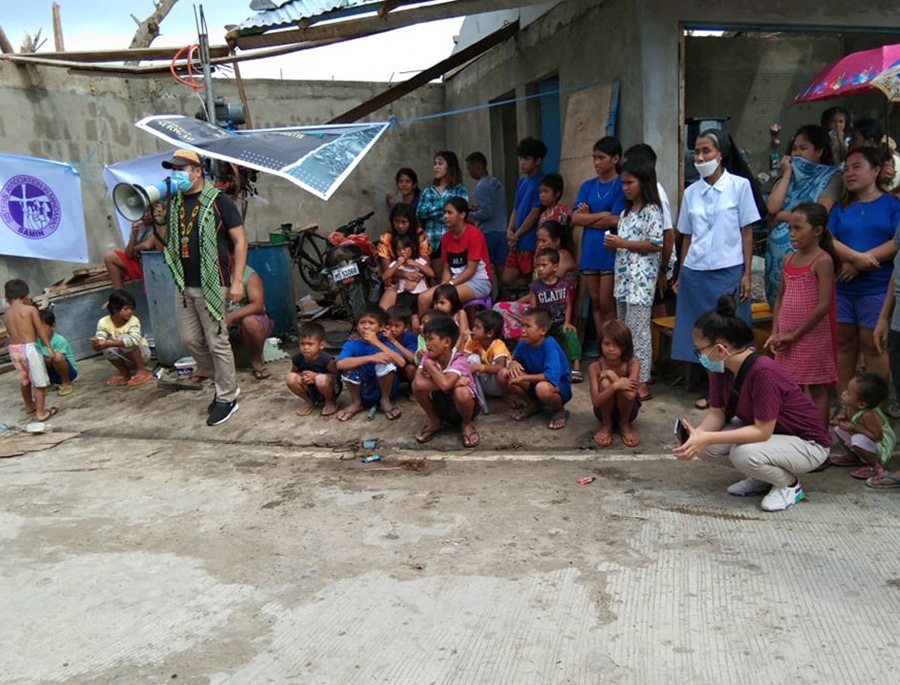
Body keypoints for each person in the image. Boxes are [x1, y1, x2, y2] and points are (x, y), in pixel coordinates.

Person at [673, 295, 831, 513]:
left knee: (743, 453)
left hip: (807, 444)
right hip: (776, 435)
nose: (699, 355)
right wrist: (696, 437)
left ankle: (789, 486)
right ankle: (762, 476)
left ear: (720, 348)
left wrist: (707, 437)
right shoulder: (719, 366)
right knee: (705, 447)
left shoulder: (763, 371)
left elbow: (762, 431)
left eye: (700, 350)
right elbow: (717, 413)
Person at [155, 149, 247, 426]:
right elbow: (167, 245)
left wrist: (237, 281)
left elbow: (240, 241)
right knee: (190, 340)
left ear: (196, 171)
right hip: (185, 283)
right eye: (173, 169)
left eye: (180, 169)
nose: (176, 174)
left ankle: (227, 397)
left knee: (217, 341)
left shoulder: (219, 201)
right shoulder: (175, 203)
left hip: (213, 283)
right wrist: (158, 219)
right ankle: (224, 382)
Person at [672, 130, 761, 406]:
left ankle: (735, 387)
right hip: (696, 272)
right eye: (697, 152)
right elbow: (686, 235)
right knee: (700, 330)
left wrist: (746, 273)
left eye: (706, 151)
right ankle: (710, 388)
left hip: (729, 269)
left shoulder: (739, 186)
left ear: (720, 154)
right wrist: (680, 272)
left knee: (729, 329)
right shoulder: (691, 192)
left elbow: (747, 233)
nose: (700, 157)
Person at [828, 147, 900, 397]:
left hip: (878, 288)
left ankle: (874, 409)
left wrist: (861, 263)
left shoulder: (892, 204)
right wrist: (855, 258)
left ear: (876, 170)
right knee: (844, 344)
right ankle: (845, 402)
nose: (849, 173)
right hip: (843, 287)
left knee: (874, 345)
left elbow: (896, 242)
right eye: (846, 168)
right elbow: (828, 238)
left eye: (857, 167)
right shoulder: (840, 207)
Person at [765, 203, 838, 426]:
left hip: (811, 336)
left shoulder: (822, 260)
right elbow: (780, 298)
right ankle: (797, 433)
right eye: (790, 228)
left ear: (817, 231)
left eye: (798, 228)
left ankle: (820, 438)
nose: (792, 234)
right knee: (789, 386)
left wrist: (795, 334)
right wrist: (775, 331)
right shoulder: (789, 259)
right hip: (786, 336)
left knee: (816, 387)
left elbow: (824, 305)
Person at [604, 157, 663, 402]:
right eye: (623, 183)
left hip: (641, 283)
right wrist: (615, 246)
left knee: (639, 332)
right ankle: (627, 376)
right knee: (624, 331)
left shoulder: (652, 210)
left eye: (630, 182)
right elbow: (626, 246)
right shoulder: (626, 213)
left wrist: (623, 243)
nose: (625, 187)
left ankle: (642, 382)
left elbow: (656, 243)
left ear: (643, 182)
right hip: (624, 281)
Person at [764, 124, 842, 306]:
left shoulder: (832, 177)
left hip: (810, 260)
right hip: (778, 264)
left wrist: (781, 217)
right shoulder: (788, 176)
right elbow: (772, 207)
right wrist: (787, 174)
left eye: (803, 148)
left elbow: (818, 212)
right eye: (794, 149)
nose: (797, 154)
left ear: (819, 152)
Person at [571, 136, 626, 343]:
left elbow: (617, 219)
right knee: (594, 300)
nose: (596, 162)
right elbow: (575, 217)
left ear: (614, 158)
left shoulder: (621, 183)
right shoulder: (587, 185)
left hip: (609, 249)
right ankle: (603, 345)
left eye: (601, 157)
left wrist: (589, 217)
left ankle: (615, 345)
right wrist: (601, 215)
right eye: (594, 157)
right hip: (591, 249)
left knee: (606, 302)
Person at [494, 220, 576, 341]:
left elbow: (545, 288)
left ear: (557, 241)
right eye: (539, 241)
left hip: (551, 307)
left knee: (499, 308)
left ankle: (523, 339)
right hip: (544, 303)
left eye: (544, 241)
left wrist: (520, 301)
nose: (540, 245)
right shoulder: (552, 257)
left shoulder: (561, 257)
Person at [623, 143, 676, 321]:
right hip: (637, 270)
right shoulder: (634, 201)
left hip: (655, 267)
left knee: (657, 311)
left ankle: (663, 349)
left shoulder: (656, 195)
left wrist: (663, 270)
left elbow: (668, 235)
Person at [413, 315, 482, 448]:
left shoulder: (459, 360)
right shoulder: (428, 357)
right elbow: (419, 383)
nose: (427, 344)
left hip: (466, 407)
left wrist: (431, 369)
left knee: (461, 391)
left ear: (446, 342)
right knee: (415, 387)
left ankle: (466, 424)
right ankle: (435, 421)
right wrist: (452, 382)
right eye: (426, 340)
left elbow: (445, 385)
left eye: (431, 339)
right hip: (441, 404)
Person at [418, 197, 493, 317]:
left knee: (444, 300)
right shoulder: (446, 238)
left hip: (479, 281)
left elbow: (471, 270)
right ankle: (424, 333)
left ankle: (443, 331)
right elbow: (447, 268)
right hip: (456, 282)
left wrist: (450, 285)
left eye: (449, 212)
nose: (445, 216)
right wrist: (443, 284)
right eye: (444, 213)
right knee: (423, 298)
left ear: (462, 215)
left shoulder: (474, 235)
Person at [499, 307, 571, 430]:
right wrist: (513, 363)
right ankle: (533, 405)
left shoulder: (549, 345)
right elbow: (515, 359)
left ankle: (558, 410)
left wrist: (523, 377)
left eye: (527, 326)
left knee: (542, 388)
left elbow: (551, 376)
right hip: (534, 383)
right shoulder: (524, 343)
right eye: (522, 325)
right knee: (504, 373)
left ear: (542, 330)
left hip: (556, 387)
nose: (522, 330)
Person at [335, 304, 406, 422]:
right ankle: (356, 402)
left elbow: (401, 362)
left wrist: (377, 343)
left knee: (385, 361)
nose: (366, 327)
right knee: (349, 366)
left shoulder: (385, 343)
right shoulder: (352, 344)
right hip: (363, 390)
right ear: (357, 327)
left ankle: (385, 400)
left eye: (371, 323)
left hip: (386, 389)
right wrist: (371, 358)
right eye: (362, 323)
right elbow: (340, 364)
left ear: (381, 327)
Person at [3, 279, 56, 421]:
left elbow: (10, 333)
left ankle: (29, 406)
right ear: (26, 295)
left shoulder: (6, 314)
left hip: (14, 350)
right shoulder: (31, 310)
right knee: (39, 381)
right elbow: (40, 330)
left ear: (7, 298)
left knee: (25, 380)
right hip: (29, 348)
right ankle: (41, 413)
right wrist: (48, 347)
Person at [831, 372, 895, 479]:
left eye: (848, 393)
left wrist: (855, 429)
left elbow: (878, 436)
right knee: (839, 429)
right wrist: (841, 415)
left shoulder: (868, 415)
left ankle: (876, 467)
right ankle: (853, 457)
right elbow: (845, 409)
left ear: (862, 404)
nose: (844, 393)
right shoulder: (853, 405)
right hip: (868, 441)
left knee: (858, 439)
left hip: (881, 446)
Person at [417, 151, 468, 281]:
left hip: (453, 238)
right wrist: (445, 209)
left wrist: (434, 212)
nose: (436, 167)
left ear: (449, 166)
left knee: (453, 278)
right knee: (437, 279)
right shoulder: (429, 189)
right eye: (434, 164)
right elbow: (420, 212)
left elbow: (461, 210)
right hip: (431, 240)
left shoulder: (459, 188)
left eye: (440, 163)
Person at [589, 319, 641, 448]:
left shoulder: (632, 364)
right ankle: (606, 424)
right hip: (603, 411)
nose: (611, 349)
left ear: (625, 346)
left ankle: (624, 425)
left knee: (610, 381)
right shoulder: (595, 367)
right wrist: (616, 385)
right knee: (605, 383)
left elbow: (630, 395)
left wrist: (611, 375)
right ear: (600, 344)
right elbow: (596, 401)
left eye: (617, 345)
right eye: (607, 344)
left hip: (629, 411)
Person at [503, 137, 547, 287]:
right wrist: (509, 230)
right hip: (517, 240)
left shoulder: (541, 182)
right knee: (507, 278)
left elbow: (535, 213)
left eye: (526, 159)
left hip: (529, 240)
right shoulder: (522, 182)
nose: (522, 162)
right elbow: (515, 208)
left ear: (537, 161)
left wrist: (517, 234)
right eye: (520, 158)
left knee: (531, 277)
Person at [91, 289, 153, 387]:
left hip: (142, 354)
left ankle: (142, 370)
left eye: (132, 309)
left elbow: (134, 340)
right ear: (115, 309)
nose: (130, 312)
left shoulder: (133, 321)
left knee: (123, 338)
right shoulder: (103, 322)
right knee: (108, 348)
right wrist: (97, 344)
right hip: (124, 357)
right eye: (126, 309)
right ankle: (124, 372)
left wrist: (108, 343)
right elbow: (101, 341)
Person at [225, 264, 275, 380]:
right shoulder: (213, 274)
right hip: (227, 322)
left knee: (249, 322)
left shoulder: (250, 275)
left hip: (247, 320)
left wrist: (231, 317)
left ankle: (256, 361)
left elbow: (258, 305)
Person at [285, 321, 341, 417]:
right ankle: (309, 402)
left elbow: (338, 375)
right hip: (311, 389)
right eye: (302, 344)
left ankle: (330, 402)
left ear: (321, 345)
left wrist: (315, 376)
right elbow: (295, 373)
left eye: (310, 344)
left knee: (321, 379)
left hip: (329, 388)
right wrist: (303, 377)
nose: (305, 347)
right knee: (290, 378)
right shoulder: (297, 358)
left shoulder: (326, 359)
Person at [465, 151, 508, 274]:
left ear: (477, 167)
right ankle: (505, 292)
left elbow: (487, 212)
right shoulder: (496, 183)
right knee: (501, 266)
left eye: (470, 168)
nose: (469, 172)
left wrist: (469, 216)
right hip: (502, 230)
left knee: (485, 267)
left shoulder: (481, 187)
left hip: (489, 233)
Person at [380, 233, 432, 326]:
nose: (402, 252)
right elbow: (385, 277)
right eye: (398, 250)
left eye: (405, 248)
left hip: (419, 294)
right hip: (403, 294)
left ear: (411, 248)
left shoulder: (418, 260)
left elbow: (431, 273)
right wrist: (397, 264)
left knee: (416, 321)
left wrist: (417, 264)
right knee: (402, 319)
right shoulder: (395, 263)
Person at [103, 204, 159, 290]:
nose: (146, 215)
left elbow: (147, 245)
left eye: (149, 211)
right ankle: (119, 293)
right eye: (143, 211)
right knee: (109, 256)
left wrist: (135, 248)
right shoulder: (138, 227)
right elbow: (128, 254)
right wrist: (133, 235)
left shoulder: (159, 225)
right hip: (140, 263)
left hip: (153, 265)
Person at [465, 309, 510, 399]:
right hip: (484, 385)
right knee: (471, 359)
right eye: (473, 326)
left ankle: (509, 395)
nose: (473, 330)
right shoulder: (473, 342)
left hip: (500, 385)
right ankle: (475, 393)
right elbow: (461, 358)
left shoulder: (497, 344)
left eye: (477, 327)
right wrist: (462, 341)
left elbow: (500, 367)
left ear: (489, 333)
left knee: (495, 365)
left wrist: (480, 367)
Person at [849, 118, 900, 191]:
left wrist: (881, 184)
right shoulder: (852, 162)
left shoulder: (894, 165)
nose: (849, 143)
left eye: (854, 139)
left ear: (870, 142)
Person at [36, 309, 77, 396]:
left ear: (52, 326)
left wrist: (44, 359)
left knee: (57, 357)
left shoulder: (59, 340)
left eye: (43, 327)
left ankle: (66, 383)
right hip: (50, 373)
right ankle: (47, 383)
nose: (40, 331)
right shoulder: (36, 342)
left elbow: (55, 360)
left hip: (67, 373)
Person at [384, 304, 420, 386]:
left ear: (405, 327)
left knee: (411, 369)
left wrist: (393, 341)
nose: (392, 329)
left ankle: (413, 390)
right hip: (388, 370)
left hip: (403, 370)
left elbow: (413, 359)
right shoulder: (382, 335)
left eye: (397, 326)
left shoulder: (410, 337)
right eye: (389, 324)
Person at [432, 283, 470, 347]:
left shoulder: (460, 314)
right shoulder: (434, 317)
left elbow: (462, 334)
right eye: (436, 303)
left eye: (442, 303)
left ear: (452, 303)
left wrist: (454, 350)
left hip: (460, 347)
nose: (438, 306)